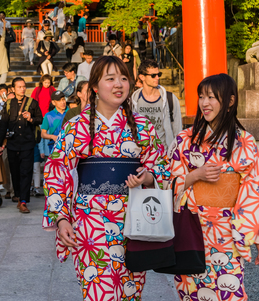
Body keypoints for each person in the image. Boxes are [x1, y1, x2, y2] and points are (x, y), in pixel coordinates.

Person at [42, 56, 168, 301]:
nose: (119, 84)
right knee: (99, 291)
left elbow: (161, 168)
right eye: (110, 79)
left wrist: (148, 178)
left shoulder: (142, 126)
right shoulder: (75, 126)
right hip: (90, 222)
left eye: (123, 78)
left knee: (131, 292)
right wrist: (61, 219)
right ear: (95, 87)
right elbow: (56, 173)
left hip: (133, 222)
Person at [169, 73, 259, 301]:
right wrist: (194, 175)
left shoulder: (245, 141)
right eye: (201, 97)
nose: (204, 103)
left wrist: (258, 235)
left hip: (228, 230)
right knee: (191, 291)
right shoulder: (185, 139)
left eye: (211, 97)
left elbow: (254, 189)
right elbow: (167, 182)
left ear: (229, 101)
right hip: (192, 227)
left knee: (230, 290)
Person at [0, 78, 43, 214]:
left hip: (27, 144)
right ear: (14, 89)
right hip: (12, 144)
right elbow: (3, 125)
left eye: (24, 86)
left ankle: (23, 201)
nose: (22, 89)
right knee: (15, 173)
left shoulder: (32, 103)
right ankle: (18, 196)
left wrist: (31, 118)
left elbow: (40, 119)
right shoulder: (9, 104)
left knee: (26, 172)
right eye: (19, 87)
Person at [131, 59, 182, 152]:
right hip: (141, 155)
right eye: (153, 75)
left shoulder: (170, 99)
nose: (157, 78)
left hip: (165, 155)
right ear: (142, 77)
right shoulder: (133, 101)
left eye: (159, 74)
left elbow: (178, 130)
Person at [0, 84, 14, 200]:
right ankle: (8, 189)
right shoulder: (2, 112)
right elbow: (0, 129)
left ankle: (15, 190)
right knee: (6, 167)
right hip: (5, 143)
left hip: (17, 142)